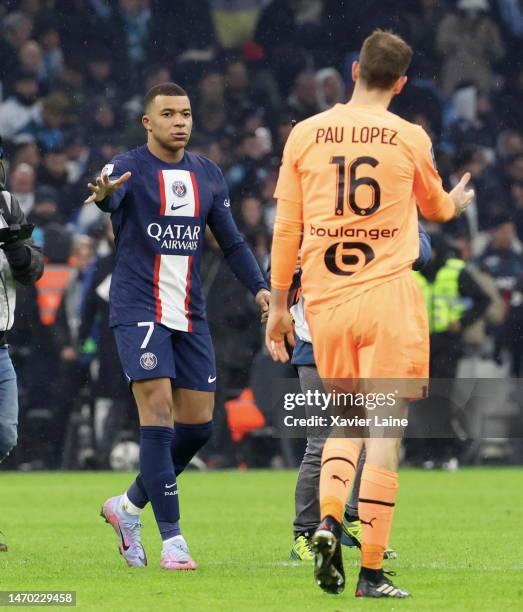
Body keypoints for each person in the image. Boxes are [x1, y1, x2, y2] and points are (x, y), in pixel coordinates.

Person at [266, 30, 474, 598]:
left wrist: (280, 307)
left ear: (355, 69)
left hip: (326, 303)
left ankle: (329, 521)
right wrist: (457, 200)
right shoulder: (410, 137)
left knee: (346, 423)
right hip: (387, 295)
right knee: (384, 432)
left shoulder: (304, 135)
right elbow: (437, 210)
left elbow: (287, 229)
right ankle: (372, 573)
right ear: (402, 82)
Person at [84, 82, 269, 570]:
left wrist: (260, 287)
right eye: (168, 114)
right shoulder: (126, 167)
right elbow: (107, 199)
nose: (179, 121)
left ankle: (125, 508)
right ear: (148, 122)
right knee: (159, 415)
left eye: (185, 113)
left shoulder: (207, 174)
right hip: (138, 308)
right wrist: (104, 198)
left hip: (189, 313)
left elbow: (230, 243)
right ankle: (172, 540)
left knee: (197, 427)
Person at [289, 225, 431, 561]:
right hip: (316, 344)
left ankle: (352, 517)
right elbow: (280, 266)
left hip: (369, 342)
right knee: (322, 441)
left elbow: (422, 251)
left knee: (374, 437)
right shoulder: (314, 207)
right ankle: (306, 531)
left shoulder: (387, 204)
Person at [0, 153, 44, 551]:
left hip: (1, 346)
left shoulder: (8, 205)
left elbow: (34, 270)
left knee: (5, 433)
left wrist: (21, 256)